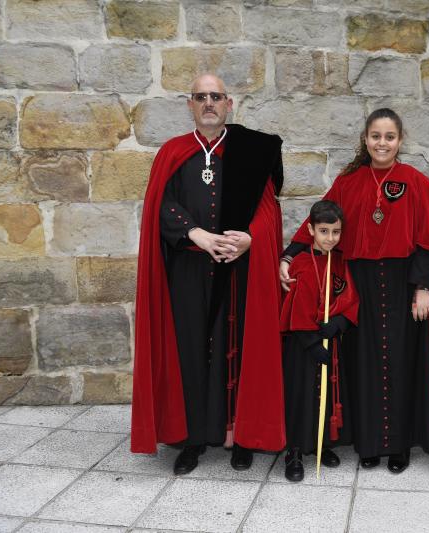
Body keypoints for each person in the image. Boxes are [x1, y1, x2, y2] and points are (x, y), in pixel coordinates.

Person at [280, 108, 429, 474]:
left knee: (404, 362)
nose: (382, 143)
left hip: (404, 282)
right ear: (365, 139)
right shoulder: (348, 181)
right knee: (365, 364)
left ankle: (402, 445)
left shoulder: (417, 182)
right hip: (359, 286)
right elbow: (319, 221)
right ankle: (370, 443)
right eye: (376, 136)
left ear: (399, 141)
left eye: (389, 137)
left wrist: (422, 288)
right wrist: (288, 255)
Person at [131, 74, 286, 475]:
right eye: (201, 97)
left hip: (237, 271)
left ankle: (242, 435)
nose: (209, 103)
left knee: (237, 348)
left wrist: (251, 238)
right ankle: (192, 439)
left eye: (216, 96)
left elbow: (269, 210)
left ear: (229, 104)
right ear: (190, 104)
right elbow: (160, 206)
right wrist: (195, 233)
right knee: (191, 352)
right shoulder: (173, 153)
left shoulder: (250, 152)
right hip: (188, 270)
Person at [279, 200, 359, 482]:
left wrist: (339, 321)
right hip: (304, 346)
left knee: (326, 395)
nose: (330, 238)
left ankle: (321, 444)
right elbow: (296, 307)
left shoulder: (339, 261)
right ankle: (295, 451)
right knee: (302, 397)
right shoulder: (300, 263)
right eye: (324, 231)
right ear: (311, 230)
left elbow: (350, 298)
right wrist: (311, 342)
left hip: (331, 342)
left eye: (336, 232)